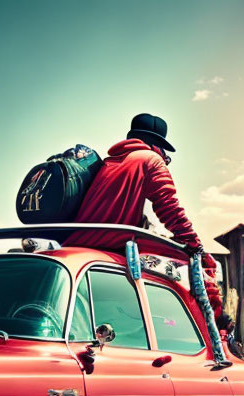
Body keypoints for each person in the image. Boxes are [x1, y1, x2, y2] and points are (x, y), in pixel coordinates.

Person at [74, 113, 223, 318]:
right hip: (110, 241)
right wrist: (194, 245)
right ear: (156, 145)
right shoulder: (150, 159)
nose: (164, 157)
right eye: (165, 153)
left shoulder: (110, 162)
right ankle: (215, 332)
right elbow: (169, 208)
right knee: (204, 267)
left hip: (80, 239)